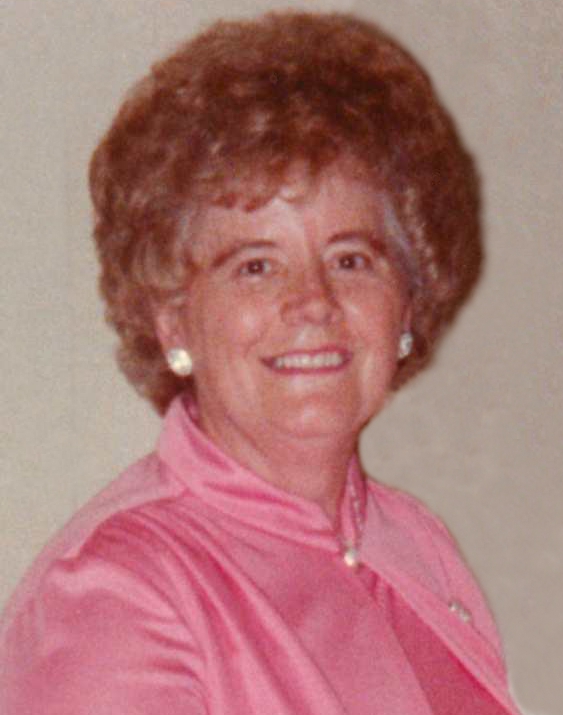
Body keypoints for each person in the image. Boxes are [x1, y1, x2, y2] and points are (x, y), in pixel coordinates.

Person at [0, 11, 523, 715]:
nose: (314, 301)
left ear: (406, 302)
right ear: (172, 318)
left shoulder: (417, 545)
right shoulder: (116, 593)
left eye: (350, 259)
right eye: (255, 266)